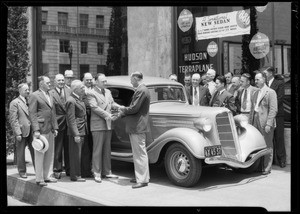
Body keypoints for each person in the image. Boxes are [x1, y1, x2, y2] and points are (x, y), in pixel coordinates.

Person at [87, 73, 120, 183]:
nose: (105, 83)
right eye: (103, 81)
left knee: (107, 149)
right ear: (96, 82)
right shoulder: (91, 93)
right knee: (98, 150)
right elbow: (94, 107)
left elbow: (112, 103)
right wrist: (107, 115)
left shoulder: (108, 92)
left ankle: (107, 171)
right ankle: (96, 172)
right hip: (98, 125)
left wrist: (121, 107)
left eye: (105, 81)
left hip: (108, 124)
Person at [119, 72, 150, 189]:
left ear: (136, 78)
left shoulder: (141, 90)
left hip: (137, 126)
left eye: (131, 79)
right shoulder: (142, 90)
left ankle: (142, 179)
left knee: (140, 153)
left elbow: (134, 108)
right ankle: (140, 176)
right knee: (138, 153)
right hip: (137, 126)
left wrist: (122, 109)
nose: (130, 82)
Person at [28, 76, 58, 186]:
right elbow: (32, 114)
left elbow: (53, 112)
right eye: (48, 82)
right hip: (40, 130)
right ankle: (39, 179)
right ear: (41, 84)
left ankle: (47, 176)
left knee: (50, 154)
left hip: (49, 129)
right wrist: (36, 129)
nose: (50, 84)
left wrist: (55, 127)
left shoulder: (50, 94)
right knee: (40, 154)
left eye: (50, 83)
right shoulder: (34, 95)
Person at [249, 71, 277, 175]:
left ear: (264, 79)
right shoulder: (255, 92)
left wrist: (269, 124)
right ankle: (258, 166)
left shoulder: (270, 92)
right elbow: (252, 109)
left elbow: (273, 109)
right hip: (255, 120)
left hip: (265, 122)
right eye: (255, 79)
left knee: (267, 145)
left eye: (258, 79)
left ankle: (267, 167)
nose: (256, 81)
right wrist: (250, 123)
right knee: (257, 145)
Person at [9, 83, 35, 178]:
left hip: (32, 131)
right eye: (26, 90)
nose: (28, 91)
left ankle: (38, 170)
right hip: (21, 131)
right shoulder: (14, 103)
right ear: (20, 91)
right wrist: (17, 133)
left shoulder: (30, 101)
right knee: (21, 153)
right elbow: (13, 119)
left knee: (35, 151)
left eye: (28, 89)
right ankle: (22, 171)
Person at [262, 66, 286, 168]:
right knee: (268, 139)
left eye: (265, 73)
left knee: (279, 137)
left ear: (271, 73)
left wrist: (272, 108)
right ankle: (270, 161)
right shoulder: (263, 84)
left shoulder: (279, 83)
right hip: (266, 115)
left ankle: (282, 160)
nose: (264, 75)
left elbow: (280, 98)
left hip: (278, 114)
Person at [65, 80, 87, 182]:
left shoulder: (78, 99)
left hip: (82, 130)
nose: (84, 89)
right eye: (82, 87)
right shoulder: (71, 100)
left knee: (80, 153)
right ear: (76, 89)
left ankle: (80, 173)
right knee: (75, 154)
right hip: (77, 131)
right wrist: (76, 134)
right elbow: (71, 119)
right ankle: (75, 176)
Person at [49, 74, 70, 179]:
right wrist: (54, 126)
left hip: (69, 124)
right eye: (59, 80)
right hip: (58, 124)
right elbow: (51, 111)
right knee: (58, 148)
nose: (61, 82)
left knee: (68, 147)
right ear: (55, 82)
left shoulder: (69, 91)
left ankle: (69, 169)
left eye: (62, 80)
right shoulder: (50, 93)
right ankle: (57, 169)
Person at [81, 72, 94, 178]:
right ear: (83, 79)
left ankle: (90, 168)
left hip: (94, 121)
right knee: (86, 146)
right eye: (87, 79)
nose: (89, 81)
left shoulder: (94, 89)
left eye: (91, 79)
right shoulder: (82, 90)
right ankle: (85, 170)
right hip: (85, 121)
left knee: (92, 145)